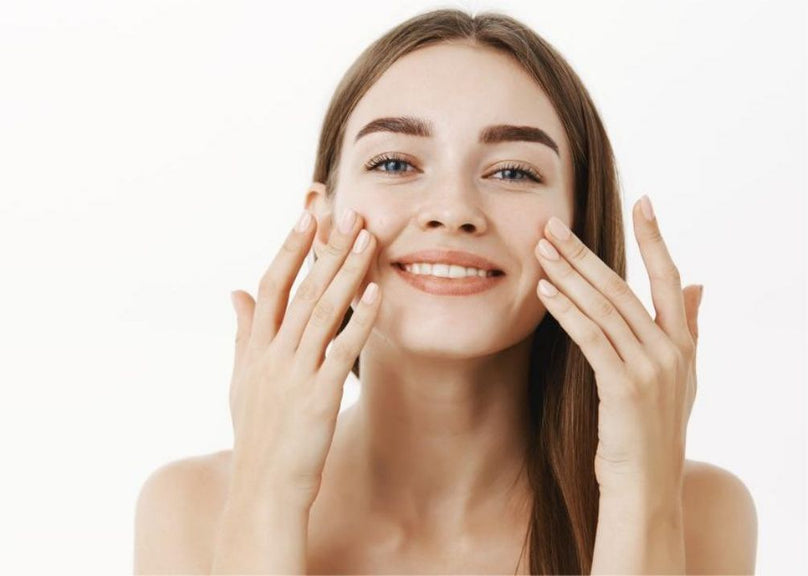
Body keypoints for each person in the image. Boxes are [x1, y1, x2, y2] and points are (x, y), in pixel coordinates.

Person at [135, 8, 757, 575]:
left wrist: (639, 498)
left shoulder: (700, 510)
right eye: (395, 163)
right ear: (320, 222)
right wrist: (266, 496)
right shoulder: (191, 508)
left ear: (583, 229)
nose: (453, 210)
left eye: (513, 171)